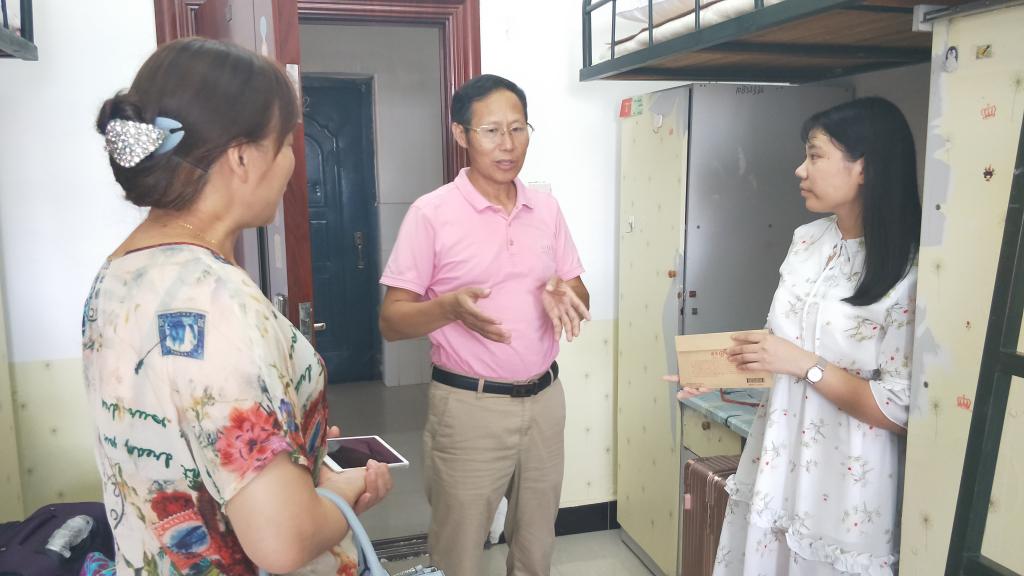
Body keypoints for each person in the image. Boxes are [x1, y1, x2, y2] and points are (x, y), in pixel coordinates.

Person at [84, 38, 391, 576]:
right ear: (243, 157)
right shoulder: (217, 302)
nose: (292, 163)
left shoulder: (117, 276)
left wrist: (292, 452)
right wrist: (345, 490)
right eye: (286, 143)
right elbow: (284, 541)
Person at [687, 97, 921, 575]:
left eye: (815, 155)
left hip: (849, 475)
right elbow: (778, 345)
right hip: (778, 455)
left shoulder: (912, 267)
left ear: (865, 167)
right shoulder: (808, 240)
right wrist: (712, 369)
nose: (800, 169)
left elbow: (899, 409)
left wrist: (804, 365)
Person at [378, 74, 591, 576]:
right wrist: (449, 308)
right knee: (458, 551)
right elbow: (392, 320)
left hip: (545, 400)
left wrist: (565, 293)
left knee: (536, 545)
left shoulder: (546, 209)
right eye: (492, 131)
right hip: (468, 408)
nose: (508, 144)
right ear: (461, 134)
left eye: (518, 129)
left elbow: (579, 290)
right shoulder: (431, 214)